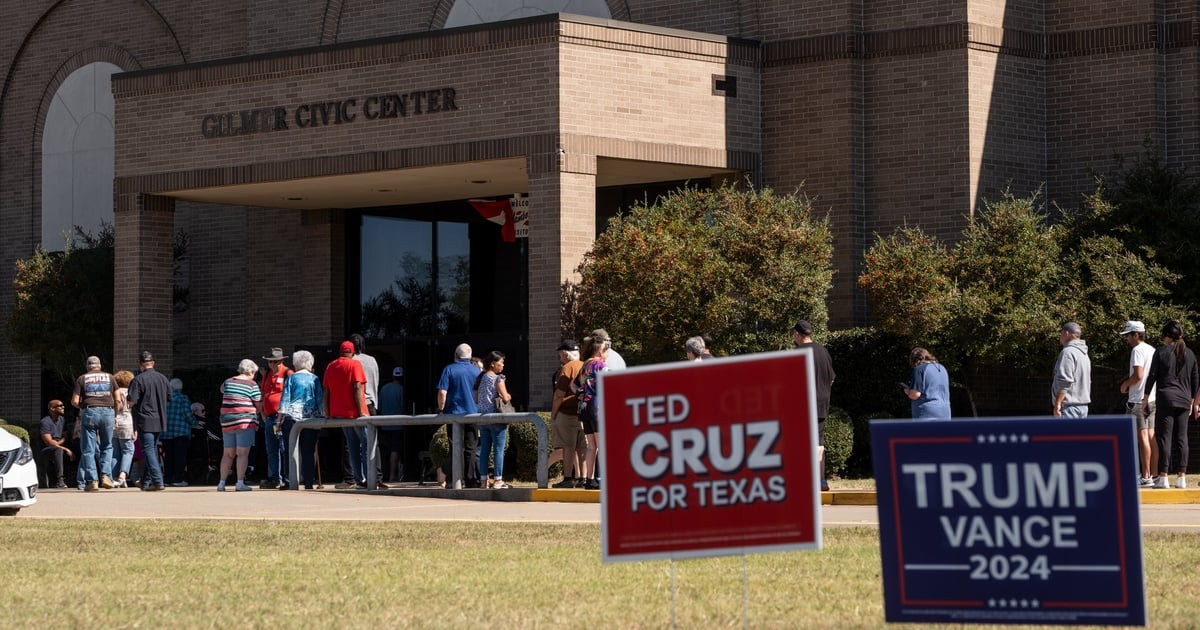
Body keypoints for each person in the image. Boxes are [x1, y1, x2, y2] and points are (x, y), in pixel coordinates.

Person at [1142, 321, 1198, 489]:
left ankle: (1164, 477)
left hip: (1166, 398)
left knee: (1164, 437)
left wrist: (1145, 399)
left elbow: (1152, 376)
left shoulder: (1161, 352)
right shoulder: (1190, 354)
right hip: (1184, 399)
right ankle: (1182, 477)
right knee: (1182, 438)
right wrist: (1193, 401)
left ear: (1167, 336)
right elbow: (1195, 378)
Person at [793, 320, 835, 492]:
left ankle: (802, 480)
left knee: (799, 441)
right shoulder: (823, 351)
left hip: (803, 404)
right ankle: (821, 480)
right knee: (818, 443)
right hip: (822, 403)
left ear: (797, 334)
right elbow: (831, 378)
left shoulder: (797, 353)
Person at [324, 340, 369, 489]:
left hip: (339, 414)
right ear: (353, 352)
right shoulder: (354, 364)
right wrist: (362, 411)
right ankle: (369, 478)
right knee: (367, 446)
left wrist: (327, 412)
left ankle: (358, 479)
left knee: (352, 447)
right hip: (355, 413)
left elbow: (326, 391)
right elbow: (357, 386)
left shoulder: (331, 366)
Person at [436, 343, 480, 488]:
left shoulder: (449, 369)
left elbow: (442, 392)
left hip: (454, 414)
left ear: (455, 355)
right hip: (473, 413)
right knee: (471, 448)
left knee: (455, 448)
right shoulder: (476, 371)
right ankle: (470, 480)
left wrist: (441, 409)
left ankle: (452, 477)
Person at [127, 350, 172, 491]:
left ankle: (158, 481)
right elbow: (169, 398)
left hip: (145, 419)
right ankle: (146, 482)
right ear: (153, 363)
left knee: (148, 450)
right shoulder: (163, 378)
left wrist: (128, 400)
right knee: (151, 449)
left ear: (140, 365)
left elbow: (132, 401)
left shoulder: (138, 380)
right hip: (159, 419)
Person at [1119, 321, 1157, 487]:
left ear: (1136, 334)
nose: (1126, 339)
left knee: (1141, 438)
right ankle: (1153, 474)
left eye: (1128, 335)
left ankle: (1145, 475)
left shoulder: (1137, 350)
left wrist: (1126, 384)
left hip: (1137, 400)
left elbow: (1138, 375)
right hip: (1152, 398)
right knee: (1151, 436)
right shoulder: (1152, 349)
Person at [71, 355, 116, 491]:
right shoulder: (110, 378)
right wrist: (116, 415)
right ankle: (106, 476)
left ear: (87, 367)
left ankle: (92, 481)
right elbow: (118, 399)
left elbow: (74, 400)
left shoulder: (82, 378)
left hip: (89, 412)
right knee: (107, 446)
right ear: (100, 366)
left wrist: (83, 408)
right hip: (108, 412)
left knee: (88, 449)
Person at [280, 350, 323, 490]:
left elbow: (285, 399)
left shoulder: (291, 378)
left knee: (290, 449)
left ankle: (290, 480)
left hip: (292, 416)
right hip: (311, 417)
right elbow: (319, 399)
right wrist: (323, 415)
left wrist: (279, 418)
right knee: (308, 451)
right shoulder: (315, 378)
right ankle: (309, 482)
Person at [218, 359, 263, 491]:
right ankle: (240, 483)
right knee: (242, 453)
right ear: (251, 371)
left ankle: (221, 483)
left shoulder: (228, 381)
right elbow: (258, 404)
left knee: (227, 454)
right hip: (244, 421)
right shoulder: (252, 384)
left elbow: (222, 390)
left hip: (227, 420)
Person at [350, 333, 386, 489]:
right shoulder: (372, 360)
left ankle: (360, 478)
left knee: (355, 444)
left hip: (357, 405)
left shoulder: (350, 362)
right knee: (372, 444)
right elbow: (376, 381)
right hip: (371, 403)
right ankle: (376, 477)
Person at [576, 329, 611, 490]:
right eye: (606, 350)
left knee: (591, 445)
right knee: (602, 444)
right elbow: (609, 382)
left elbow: (574, 385)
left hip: (584, 407)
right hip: (597, 407)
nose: (607, 354)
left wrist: (583, 393)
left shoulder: (585, 365)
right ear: (599, 350)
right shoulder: (599, 364)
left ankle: (589, 479)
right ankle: (600, 478)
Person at [549, 340, 586, 488]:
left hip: (567, 413)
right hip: (584, 413)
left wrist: (553, 414)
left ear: (565, 354)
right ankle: (584, 478)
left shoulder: (566, 369)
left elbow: (559, 395)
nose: (560, 358)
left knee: (567, 447)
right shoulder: (586, 366)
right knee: (583, 448)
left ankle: (568, 478)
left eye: (560, 355)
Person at [475, 351, 513, 489]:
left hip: (483, 419)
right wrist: (508, 395)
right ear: (493, 364)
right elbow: (505, 397)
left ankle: (483, 480)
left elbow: (476, 399)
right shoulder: (498, 378)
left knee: (484, 449)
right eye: (500, 363)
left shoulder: (481, 378)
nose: (502, 366)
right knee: (498, 449)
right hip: (496, 418)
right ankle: (498, 479)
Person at [259, 348, 293, 489]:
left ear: (281, 360)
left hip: (282, 417)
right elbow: (263, 393)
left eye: (275, 361)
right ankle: (274, 478)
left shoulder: (288, 373)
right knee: (271, 449)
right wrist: (262, 412)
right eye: (270, 362)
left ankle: (288, 478)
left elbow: (291, 394)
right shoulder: (266, 374)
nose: (272, 364)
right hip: (269, 417)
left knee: (284, 448)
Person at [1051, 322, 1091, 418]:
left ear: (1066, 333)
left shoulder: (1068, 352)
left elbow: (1065, 381)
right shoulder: (1084, 353)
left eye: (1061, 334)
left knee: (1065, 433)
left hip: (1068, 408)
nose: (1060, 337)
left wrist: (1058, 404)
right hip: (1083, 407)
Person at [904, 347, 951, 420]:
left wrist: (908, 392)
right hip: (945, 412)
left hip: (926, 414)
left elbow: (915, 395)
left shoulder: (919, 369)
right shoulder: (942, 368)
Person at [162, 378, 193, 487]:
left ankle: (167, 479)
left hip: (166, 432)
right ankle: (178, 479)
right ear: (181, 388)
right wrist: (194, 422)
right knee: (180, 456)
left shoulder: (165, 398)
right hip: (181, 431)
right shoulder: (183, 398)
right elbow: (187, 414)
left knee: (168, 456)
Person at [377, 366, 406, 483]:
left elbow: (380, 406)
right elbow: (403, 407)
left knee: (384, 451)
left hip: (384, 424)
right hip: (398, 425)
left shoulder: (384, 388)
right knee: (395, 450)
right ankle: (392, 475)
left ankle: (384, 474)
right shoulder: (402, 389)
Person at [38, 400, 72, 488]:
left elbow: (65, 436)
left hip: (58, 446)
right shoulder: (45, 422)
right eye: (60, 405)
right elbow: (49, 442)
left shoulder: (62, 420)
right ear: (52, 408)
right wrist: (65, 449)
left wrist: (60, 444)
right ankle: (60, 481)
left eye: (63, 405)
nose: (63, 407)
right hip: (46, 450)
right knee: (58, 450)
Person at [110, 371, 136, 488]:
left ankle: (114, 477)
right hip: (127, 423)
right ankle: (122, 475)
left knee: (115, 452)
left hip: (114, 423)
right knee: (128, 450)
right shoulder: (131, 393)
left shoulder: (114, 392)